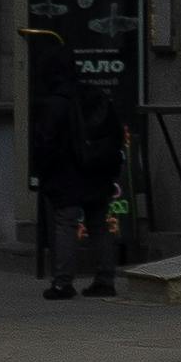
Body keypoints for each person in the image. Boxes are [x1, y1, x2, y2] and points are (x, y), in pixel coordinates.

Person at [27, 33, 126, 301]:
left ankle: (63, 282)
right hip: (98, 171)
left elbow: (45, 143)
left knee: (65, 223)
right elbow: (115, 132)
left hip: (66, 174)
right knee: (99, 224)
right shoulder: (94, 94)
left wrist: (42, 172)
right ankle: (105, 279)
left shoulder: (54, 102)